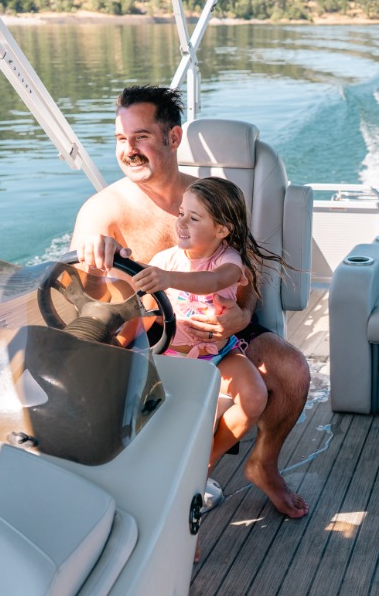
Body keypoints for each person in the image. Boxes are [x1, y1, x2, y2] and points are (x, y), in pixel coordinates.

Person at [72, 85, 311, 518]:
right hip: (151, 340)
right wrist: (94, 258)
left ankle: (263, 465)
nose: (129, 150)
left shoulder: (209, 197)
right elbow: (84, 306)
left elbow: (244, 274)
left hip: (220, 329)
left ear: (173, 137)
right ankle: (168, 483)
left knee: (292, 371)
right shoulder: (100, 213)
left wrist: (241, 314)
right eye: (121, 140)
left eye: (141, 137)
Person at [131, 176, 288, 470]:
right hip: (170, 356)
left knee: (254, 397)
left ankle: (207, 461)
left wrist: (168, 278)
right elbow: (147, 309)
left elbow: (212, 281)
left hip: (219, 354)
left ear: (222, 229)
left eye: (193, 218)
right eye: (180, 214)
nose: (181, 223)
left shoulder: (228, 261)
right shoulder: (164, 260)